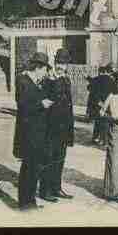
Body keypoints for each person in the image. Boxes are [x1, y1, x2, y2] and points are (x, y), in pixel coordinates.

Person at [15, 52, 55, 210]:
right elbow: (23, 106)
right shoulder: (23, 81)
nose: (46, 73)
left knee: (33, 168)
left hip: (37, 132)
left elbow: (47, 94)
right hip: (28, 133)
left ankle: (30, 201)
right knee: (28, 168)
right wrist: (41, 105)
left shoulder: (36, 82)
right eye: (45, 69)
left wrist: (50, 81)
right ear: (38, 67)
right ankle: (25, 204)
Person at [39, 49, 75, 201]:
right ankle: (45, 190)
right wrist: (53, 80)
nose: (62, 66)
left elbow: (69, 104)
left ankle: (56, 188)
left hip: (64, 125)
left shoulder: (66, 79)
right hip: (50, 125)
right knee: (48, 158)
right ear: (55, 62)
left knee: (60, 158)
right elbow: (44, 101)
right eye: (59, 62)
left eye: (64, 63)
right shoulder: (48, 79)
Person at [90, 66, 116, 146]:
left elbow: (92, 91)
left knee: (98, 121)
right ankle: (104, 139)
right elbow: (113, 92)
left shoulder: (96, 79)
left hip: (97, 103)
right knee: (105, 122)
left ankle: (95, 137)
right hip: (108, 104)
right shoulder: (112, 81)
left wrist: (98, 101)